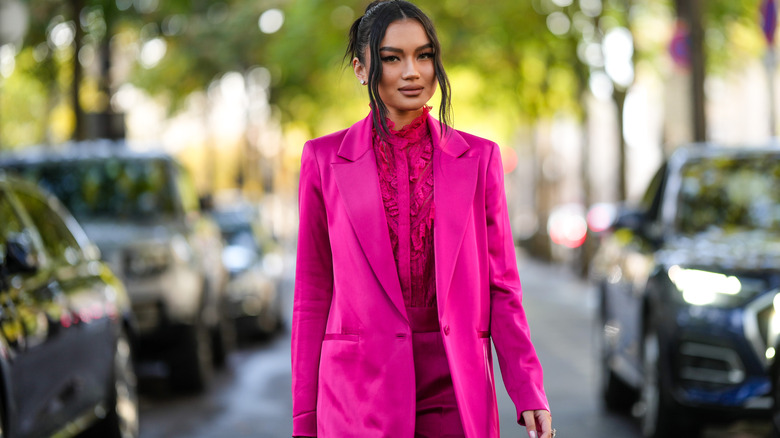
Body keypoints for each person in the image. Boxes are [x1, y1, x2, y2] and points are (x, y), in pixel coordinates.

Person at [291, 1, 554, 437]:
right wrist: (304, 420)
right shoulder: (322, 160)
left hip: (454, 384)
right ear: (361, 69)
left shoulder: (480, 159)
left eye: (424, 55)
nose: (413, 71)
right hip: (358, 392)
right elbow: (312, 295)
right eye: (393, 58)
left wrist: (528, 390)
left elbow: (501, 287)